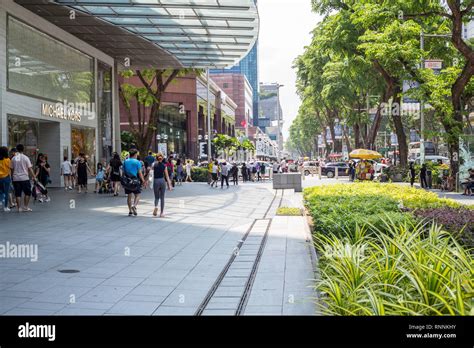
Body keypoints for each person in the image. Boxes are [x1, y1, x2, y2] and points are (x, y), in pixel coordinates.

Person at [10, 144, 36, 212]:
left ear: (17, 149)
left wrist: (12, 177)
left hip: (16, 178)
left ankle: (19, 208)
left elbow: (11, 169)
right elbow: (30, 169)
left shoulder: (13, 158)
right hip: (24, 178)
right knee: (27, 193)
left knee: (17, 193)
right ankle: (26, 207)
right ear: (23, 149)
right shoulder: (26, 158)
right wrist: (34, 177)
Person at [122, 149, 145, 216]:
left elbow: (123, 171)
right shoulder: (137, 162)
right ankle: (134, 206)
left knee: (129, 196)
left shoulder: (125, 161)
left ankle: (130, 211)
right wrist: (143, 181)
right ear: (135, 154)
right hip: (135, 180)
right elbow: (140, 173)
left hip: (127, 181)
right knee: (137, 195)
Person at [152, 152, 172, 217]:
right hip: (162, 181)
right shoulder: (164, 166)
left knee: (156, 197)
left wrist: (145, 181)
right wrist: (169, 185)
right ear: (162, 158)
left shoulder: (153, 164)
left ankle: (156, 206)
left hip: (156, 181)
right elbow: (167, 176)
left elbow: (150, 174)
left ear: (156, 158)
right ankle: (162, 213)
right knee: (162, 197)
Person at [0, 146, 12, 212]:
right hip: (6, 177)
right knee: (6, 192)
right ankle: (5, 207)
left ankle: (0, 201)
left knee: (0, 191)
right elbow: (10, 168)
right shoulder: (7, 160)